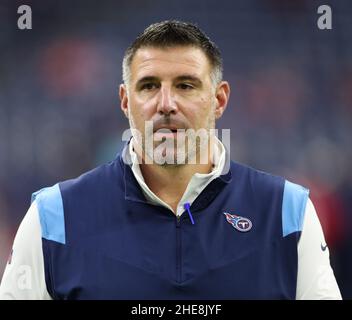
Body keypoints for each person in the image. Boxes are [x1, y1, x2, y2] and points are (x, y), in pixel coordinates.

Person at [0, 20, 342, 300]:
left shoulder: (287, 213)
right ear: (125, 100)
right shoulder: (52, 216)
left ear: (220, 99)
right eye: (149, 86)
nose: (166, 104)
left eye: (186, 86)